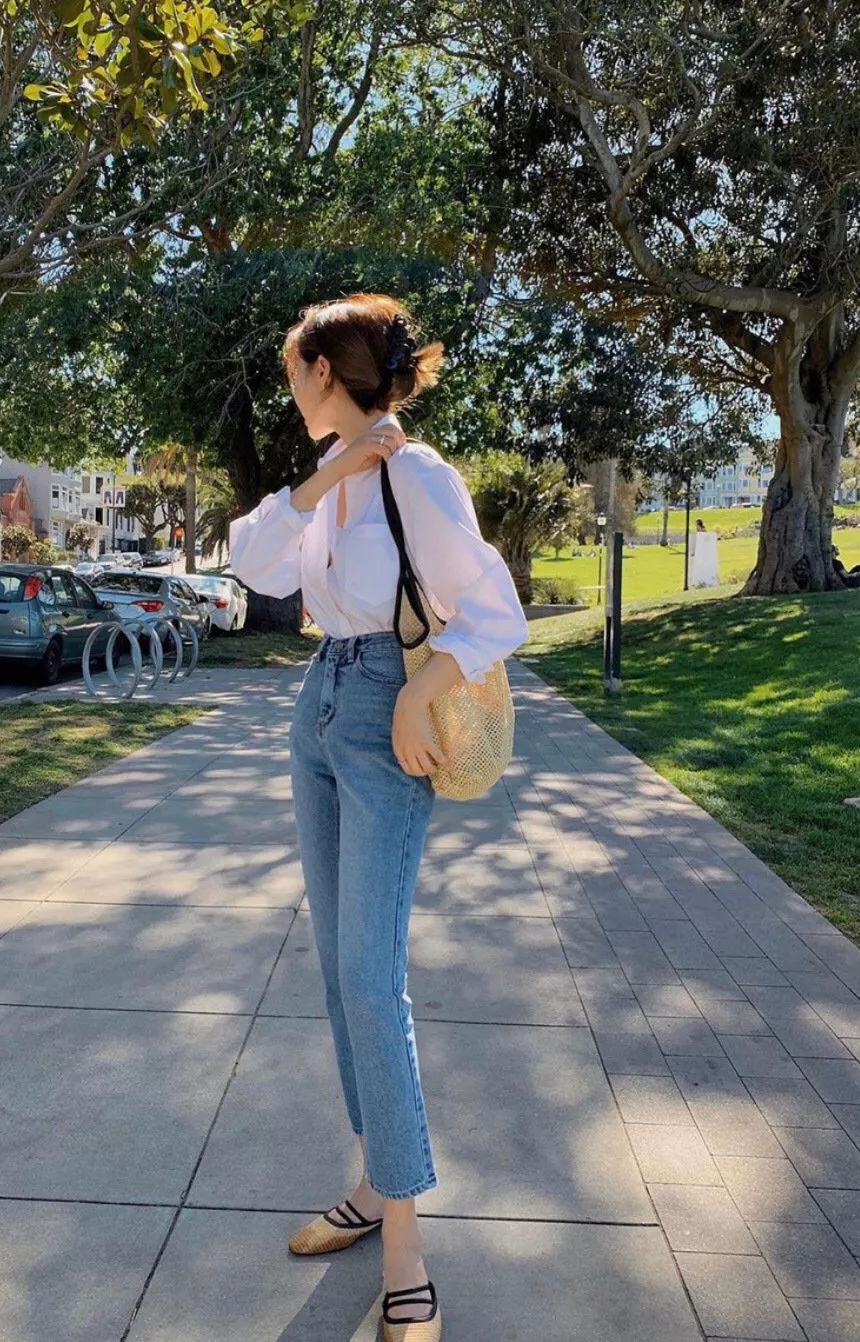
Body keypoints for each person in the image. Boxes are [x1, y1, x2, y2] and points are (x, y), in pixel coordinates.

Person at [228, 293, 528, 1340]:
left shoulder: (418, 474)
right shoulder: (337, 480)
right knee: (336, 974)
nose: (289, 386)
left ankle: (405, 1243)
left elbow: (496, 611)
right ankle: (371, 1179)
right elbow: (249, 561)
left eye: (294, 369)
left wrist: (416, 692)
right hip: (317, 707)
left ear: (325, 372)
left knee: (370, 978)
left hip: (383, 715)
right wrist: (333, 470)